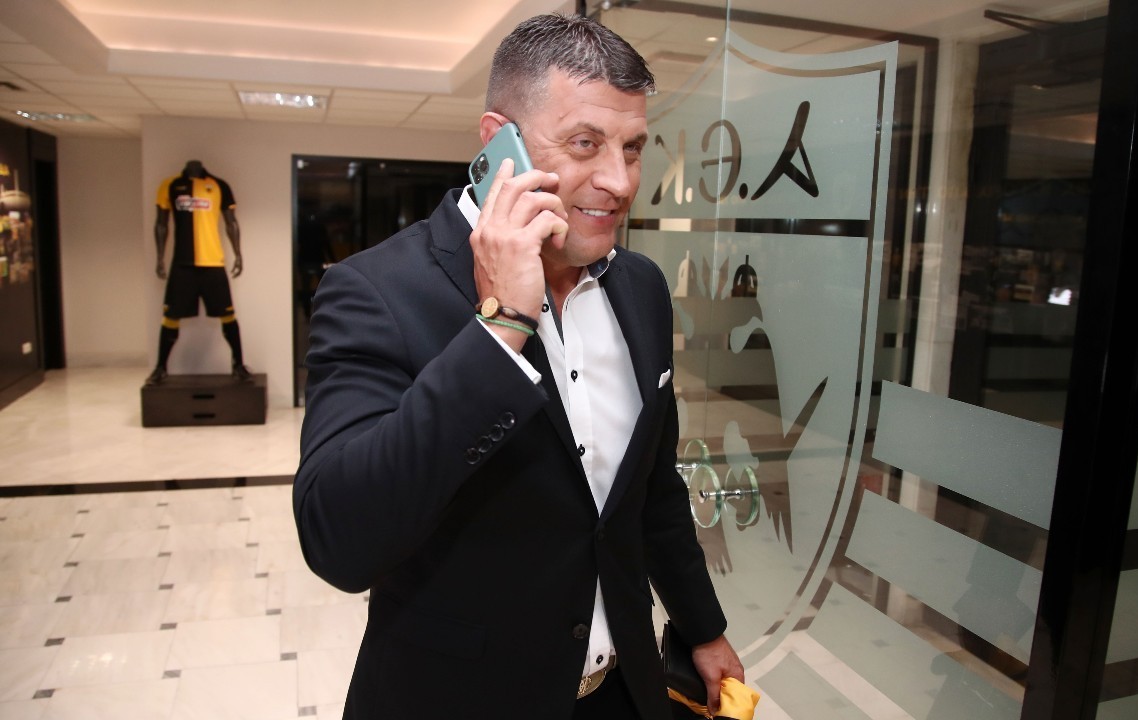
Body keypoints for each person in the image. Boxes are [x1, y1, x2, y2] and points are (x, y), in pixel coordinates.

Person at [294, 13, 743, 720]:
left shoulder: (641, 288)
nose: (619, 181)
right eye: (585, 144)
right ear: (497, 142)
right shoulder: (375, 290)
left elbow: (652, 492)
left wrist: (703, 626)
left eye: (632, 148)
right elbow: (338, 540)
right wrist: (499, 328)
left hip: (621, 695)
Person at [146, 160, 251, 385]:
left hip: (213, 263)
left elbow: (231, 223)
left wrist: (238, 254)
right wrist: (159, 258)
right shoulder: (170, 185)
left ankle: (239, 365)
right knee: (170, 316)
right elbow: (161, 224)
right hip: (182, 263)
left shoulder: (219, 185)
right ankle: (160, 367)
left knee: (228, 315)